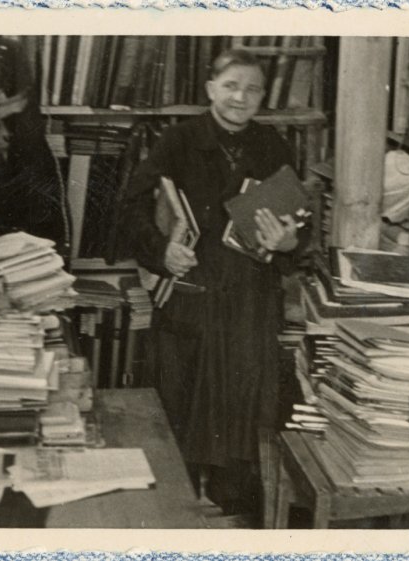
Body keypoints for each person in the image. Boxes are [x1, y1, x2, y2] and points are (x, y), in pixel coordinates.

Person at [121, 49, 307, 519]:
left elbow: (300, 225)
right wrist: (161, 251)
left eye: (252, 89)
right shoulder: (177, 141)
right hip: (191, 299)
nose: (240, 97)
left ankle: (235, 521)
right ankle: (174, 520)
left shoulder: (273, 145)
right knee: (176, 420)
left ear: (262, 97)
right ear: (210, 89)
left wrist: (287, 241)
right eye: (230, 86)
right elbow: (130, 210)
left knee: (242, 428)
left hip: (250, 306)